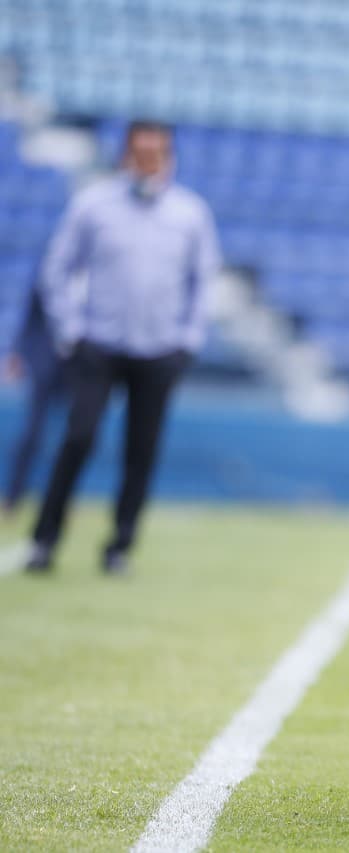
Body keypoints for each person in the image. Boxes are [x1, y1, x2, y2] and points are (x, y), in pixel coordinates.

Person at [24, 120, 221, 574]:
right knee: (79, 438)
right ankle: (44, 540)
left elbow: (201, 281)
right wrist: (70, 329)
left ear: (168, 157)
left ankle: (119, 547)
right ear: (126, 155)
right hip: (99, 344)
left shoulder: (190, 214)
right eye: (140, 153)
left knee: (141, 450)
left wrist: (187, 340)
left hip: (158, 351)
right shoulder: (93, 205)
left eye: (157, 154)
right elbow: (57, 268)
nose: (148, 163)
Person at [3, 273, 68, 515]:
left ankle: (60, 500)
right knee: (33, 433)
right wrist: (18, 354)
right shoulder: (48, 277)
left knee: (74, 437)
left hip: (80, 368)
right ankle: (14, 495)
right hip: (45, 366)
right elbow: (29, 320)